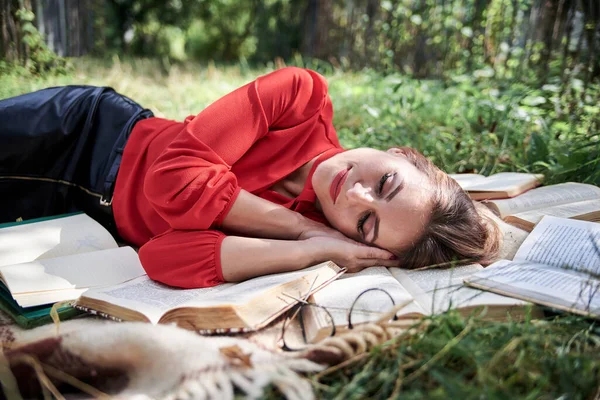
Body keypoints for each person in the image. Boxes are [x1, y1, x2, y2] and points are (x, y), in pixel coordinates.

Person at [0, 67, 500, 289]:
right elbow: (169, 182)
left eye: (365, 224)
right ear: (401, 153)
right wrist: (301, 230)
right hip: (89, 133)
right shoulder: (300, 99)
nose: (355, 193)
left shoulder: (308, 230)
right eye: (386, 182)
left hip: (81, 224)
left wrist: (306, 247)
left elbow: (159, 258)